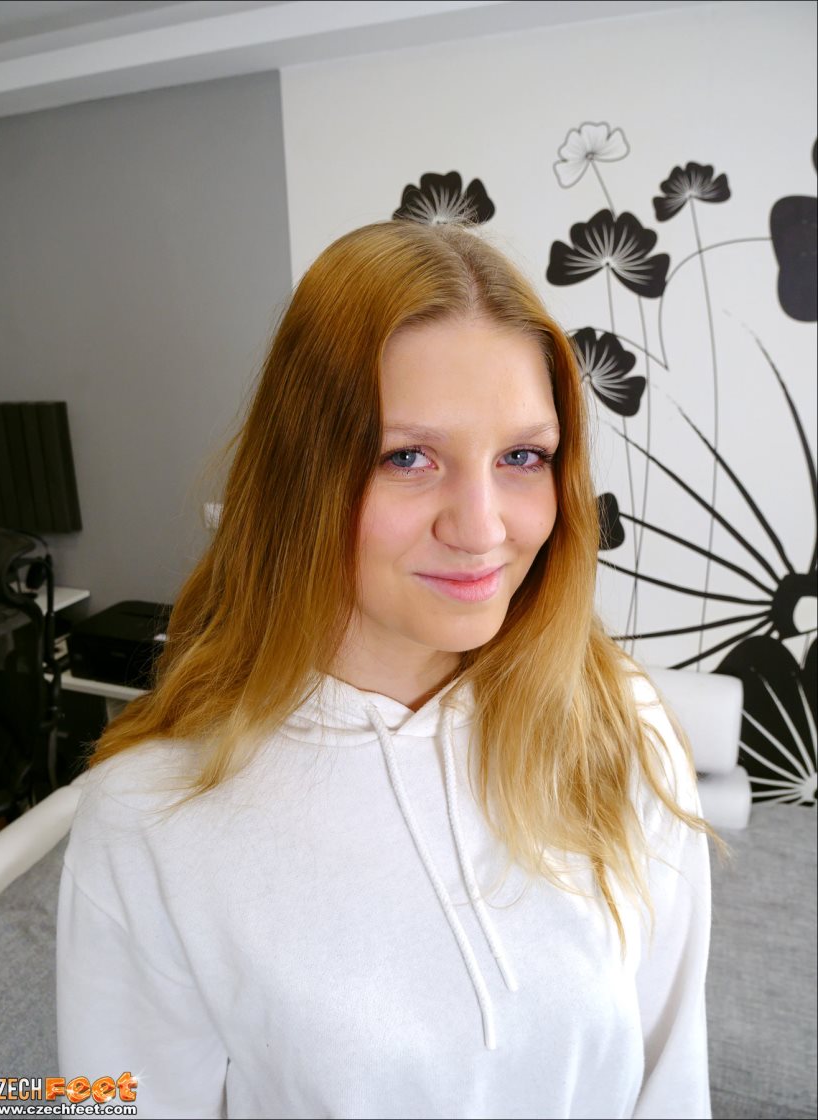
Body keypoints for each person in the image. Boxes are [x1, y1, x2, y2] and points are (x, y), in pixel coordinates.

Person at [56, 218, 717, 1120]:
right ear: (302, 478)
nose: (481, 527)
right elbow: (106, 1104)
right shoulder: (147, 815)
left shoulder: (622, 724)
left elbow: (672, 1080)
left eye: (522, 457)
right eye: (408, 457)